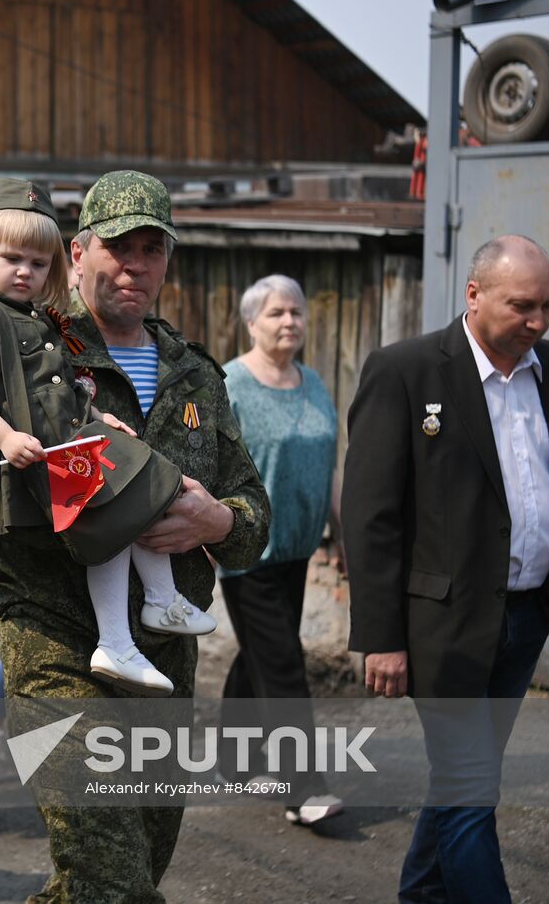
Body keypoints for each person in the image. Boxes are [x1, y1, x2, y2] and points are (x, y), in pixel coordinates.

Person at [0, 170, 269, 902]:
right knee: (111, 876)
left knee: (126, 867)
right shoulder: (33, 349)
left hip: (164, 664)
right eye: (118, 247)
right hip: (57, 647)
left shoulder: (195, 374)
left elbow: (252, 512)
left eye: (152, 249)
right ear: (77, 255)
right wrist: (99, 490)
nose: (135, 265)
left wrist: (219, 520)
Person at [343, 234, 549, 903]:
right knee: (469, 789)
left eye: (547, 306)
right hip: (444, 623)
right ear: (474, 294)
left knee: (467, 774)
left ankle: (421, 894)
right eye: (523, 306)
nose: (538, 322)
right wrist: (382, 636)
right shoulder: (405, 371)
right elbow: (372, 517)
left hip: (527, 617)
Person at [0, 178, 215, 694]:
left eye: (38, 265)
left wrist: (99, 417)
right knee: (116, 515)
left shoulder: (39, 320)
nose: (25, 272)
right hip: (36, 454)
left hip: (68, 441)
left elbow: (57, 388)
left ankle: (157, 602)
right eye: (12, 259)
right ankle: (122, 637)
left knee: (142, 496)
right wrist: (3, 438)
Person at [219, 274, 344, 825]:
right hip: (246, 548)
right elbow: (209, 464)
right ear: (251, 323)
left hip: (298, 548)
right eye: (276, 313)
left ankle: (232, 756)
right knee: (283, 661)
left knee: (264, 653)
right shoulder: (230, 384)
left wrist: (340, 532)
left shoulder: (314, 383)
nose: (289, 321)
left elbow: (329, 465)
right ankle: (303, 788)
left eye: (295, 311)